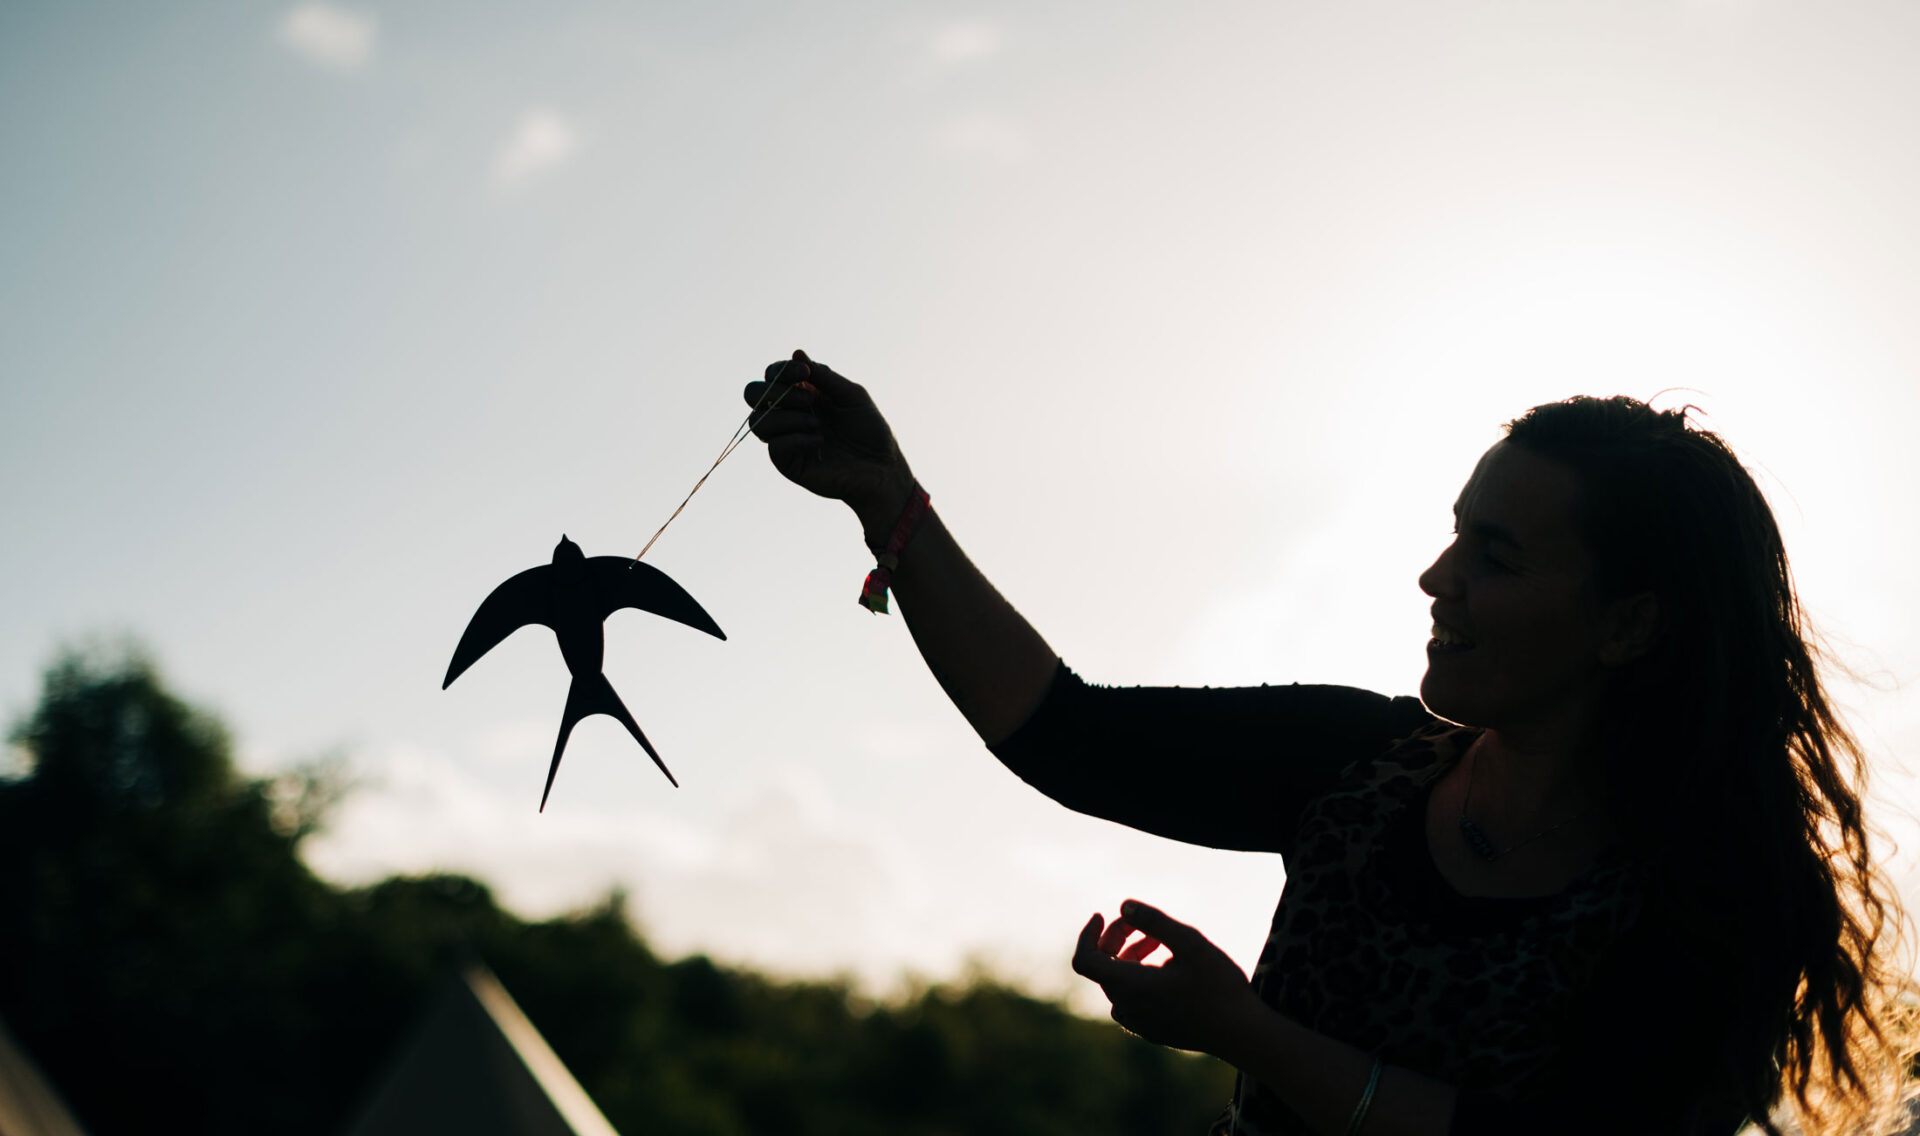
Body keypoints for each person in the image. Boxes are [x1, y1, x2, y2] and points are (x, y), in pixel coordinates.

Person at [744, 350, 1916, 1135]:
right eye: (1455, 536)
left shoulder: (1716, 897)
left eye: (1495, 557)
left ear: (1630, 621)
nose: (1436, 577)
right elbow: (1067, 732)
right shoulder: (1359, 763)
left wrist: (1245, 1031)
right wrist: (886, 499)